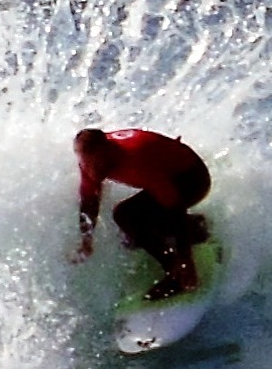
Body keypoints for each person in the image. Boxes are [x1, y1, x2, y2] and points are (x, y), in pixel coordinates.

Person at [72, 127, 211, 300]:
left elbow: (174, 206)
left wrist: (186, 261)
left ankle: (177, 272)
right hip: (164, 180)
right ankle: (193, 227)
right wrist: (87, 240)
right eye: (89, 164)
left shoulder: (136, 156)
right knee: (131, 231)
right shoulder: (89, 160)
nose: (94, 171)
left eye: (99, 163)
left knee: (126, 216)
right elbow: (89, 202)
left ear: (109, 150)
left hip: (191, 178)